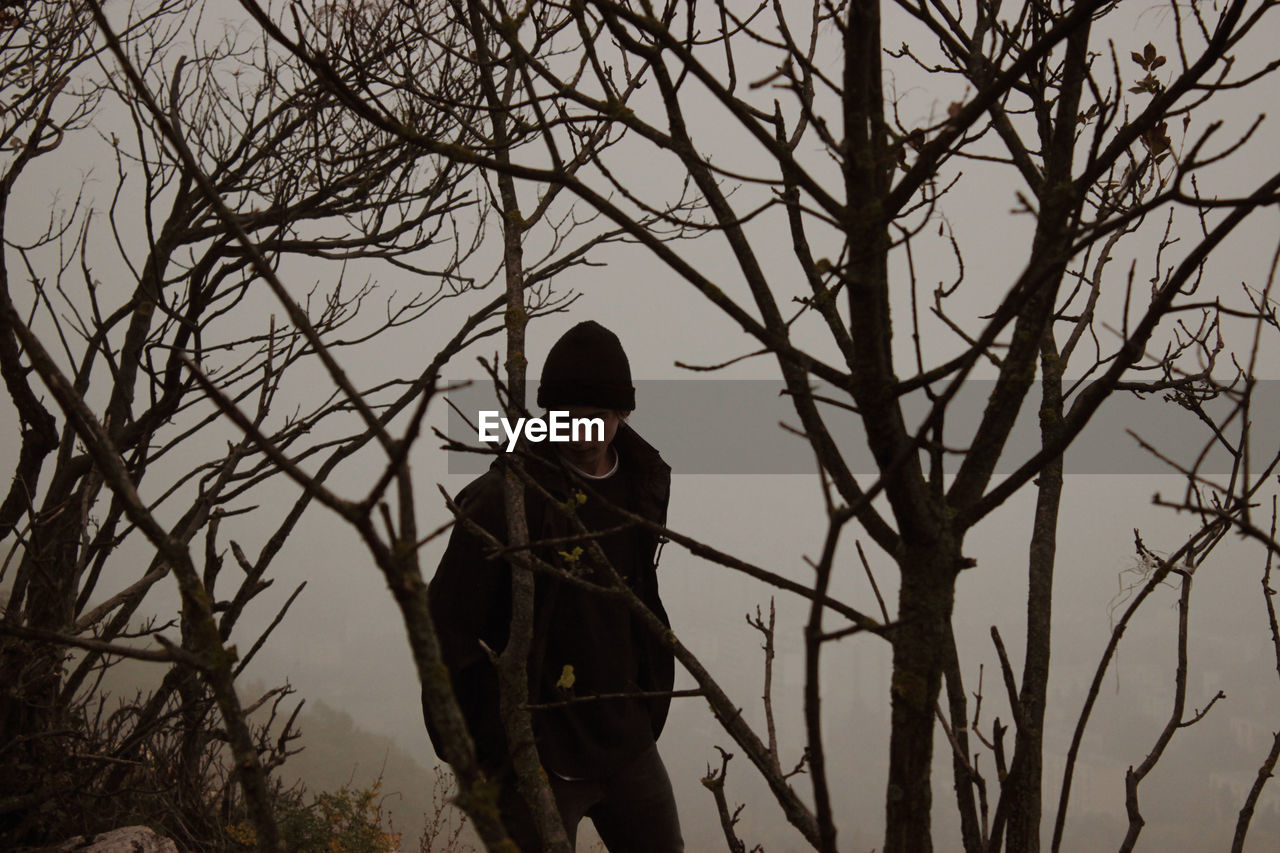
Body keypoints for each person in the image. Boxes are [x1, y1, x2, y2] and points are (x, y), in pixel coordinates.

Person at [426, 321, 683, 852]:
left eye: (599, 414)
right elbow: (446, 626)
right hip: (534, 753)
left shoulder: (641, 481)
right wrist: (485, 750)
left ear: (622, 414)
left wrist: (643, 698)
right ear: (549, 415)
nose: (584, 428)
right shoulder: (505, 497)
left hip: (624, 735)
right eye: (570, 415)